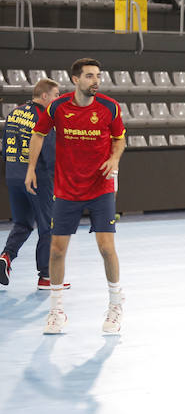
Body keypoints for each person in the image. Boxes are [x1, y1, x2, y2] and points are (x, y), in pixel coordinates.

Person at [25, 58, 127, 335]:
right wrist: (31, 168)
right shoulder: (58, 107)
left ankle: (116, 305)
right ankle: (56, 311)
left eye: (98, 76)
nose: (96, 80)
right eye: (90, 76)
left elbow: (120, 139)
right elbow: (38, 134)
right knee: (57, 250)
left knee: (106, 248)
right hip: (67, 189)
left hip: (100, 188)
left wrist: (115, 159)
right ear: (75, 80)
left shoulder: (109, 107)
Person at [1, 79, 70, 290]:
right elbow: (48, 154)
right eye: (56, 95)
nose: (58, 99)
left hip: (13, 175)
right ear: (45, 96)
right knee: (48, 225)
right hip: (36, 178)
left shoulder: (14, 113)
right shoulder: (44, 118)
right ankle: (46, 276)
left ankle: (6, 256)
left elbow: (4, 146)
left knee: (23, 222)